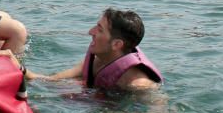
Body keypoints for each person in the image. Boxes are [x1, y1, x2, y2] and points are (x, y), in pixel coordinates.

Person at [28, 8, 162, 91]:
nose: (90, 32)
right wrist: (23, 71)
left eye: (99, 29)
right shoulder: (97, 61)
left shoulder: (138, 83)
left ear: (116, 44)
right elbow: (50, 81)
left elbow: (158, 111)